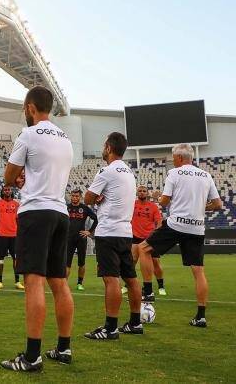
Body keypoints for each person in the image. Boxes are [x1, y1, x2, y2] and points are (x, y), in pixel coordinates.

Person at [0, 86, 74, 372]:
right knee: (59, 282)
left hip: (36, 212)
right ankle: (64, 348)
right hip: (60, 212)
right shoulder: (66, 139)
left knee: (34, 281)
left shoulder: (28, 134)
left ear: (30, 108)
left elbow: (9, 176)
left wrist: (21, 178)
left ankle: (32, 356)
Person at [137, 143, 222, 327]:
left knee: (143, 249)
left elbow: (165, 202)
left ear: (180, 158)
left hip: (176, 224)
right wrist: (200, 208)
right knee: (198, 271)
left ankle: (148, 291)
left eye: (173, 157)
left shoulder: (174, 173)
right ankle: (201, 316)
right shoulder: (206, 175)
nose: (172, 160)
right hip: (197, 228)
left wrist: (159, 197)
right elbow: (218, 205)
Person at [83, 132, 143, 340]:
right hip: (126, 232)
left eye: (104, 145)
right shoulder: (128, 171)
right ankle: (135, 323)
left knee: (111, 280)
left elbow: (88, 197)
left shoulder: (107, 171)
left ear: (109, 148)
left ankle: (110, 328)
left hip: (108, 232)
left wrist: (98, 198)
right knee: (131, 279)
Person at [131, 186, 164, 297]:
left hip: (149, 237)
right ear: (137, 193)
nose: (142, 193)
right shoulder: (132, 204)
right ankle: (128, 285)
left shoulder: (153, 206)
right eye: (140, 191)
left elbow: (159, 222)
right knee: (133, 260)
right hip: (135, 236)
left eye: (144, 191)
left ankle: (161, 285)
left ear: (147, 193)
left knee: (155, 262)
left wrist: (157, 234)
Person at [65, 189, 97, 291]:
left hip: (81, 238)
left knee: (81, 262)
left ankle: (80, 283)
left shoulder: (84, 208)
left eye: (77, 196)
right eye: (73, 196)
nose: (75, 198)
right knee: (67, 262)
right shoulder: (66, 208)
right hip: (68, 238)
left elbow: (96, 219)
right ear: (71, 196)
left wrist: (89, 231)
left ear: (80, 197)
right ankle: (64, 284)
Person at [0, 186, 22, 289]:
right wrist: (1, 228)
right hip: (2, 235)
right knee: (0, 258)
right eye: (5, 190)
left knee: (16, 258)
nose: (7, 191)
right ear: (2, 191)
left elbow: (18, 220)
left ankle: (17, 281)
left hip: (14, 235)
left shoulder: (16, 204)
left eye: (9, 189)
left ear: (11, 191)